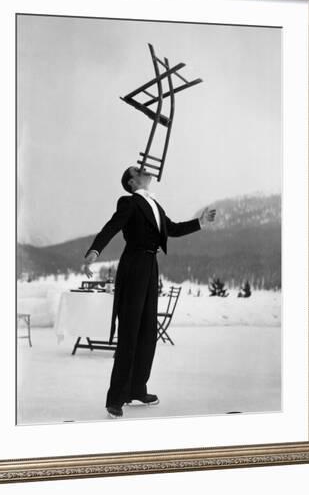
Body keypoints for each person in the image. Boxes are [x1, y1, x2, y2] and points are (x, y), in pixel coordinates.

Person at [83, 166, 216, 418]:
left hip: (150, 266)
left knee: (147, 332)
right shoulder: (129, 202)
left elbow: (173, 229)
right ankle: (116, 398)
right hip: (133, 266)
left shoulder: (155, 205)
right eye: (139, 170)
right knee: (130, 332)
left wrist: (200, 222)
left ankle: (137, 389)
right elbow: (111, 227)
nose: (145, 170)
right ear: (132, 182)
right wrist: (94, 251)